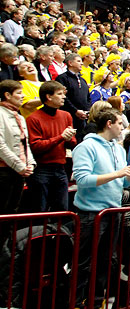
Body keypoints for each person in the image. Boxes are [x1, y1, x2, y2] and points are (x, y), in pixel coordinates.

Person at [71, 109, 130, 309]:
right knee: (84, 261)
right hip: (90, 214)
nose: (123, 129)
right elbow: (82, 179)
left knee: (106, 261)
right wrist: (118, 173)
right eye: (120, 125)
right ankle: (77, 306)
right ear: (108, 124)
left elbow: (124, 182)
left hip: (112, 211)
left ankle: (96, 303)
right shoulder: (86, 147)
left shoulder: (116, 148)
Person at [25, 81, 77, 212]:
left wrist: (69, 138)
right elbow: (36, 146)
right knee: (39, 209)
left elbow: (72, 143)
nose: (64, 97)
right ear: (48, 97)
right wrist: (61, 137)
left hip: (60, 168)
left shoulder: (66, 115)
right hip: (41, 169)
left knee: (62, 209)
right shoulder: (33, 118)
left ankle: (58, 233)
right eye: (59, 94)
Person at [0, 79, 35, 215]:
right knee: (3, 209)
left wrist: (30, 163)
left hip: (19, 172)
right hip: (4, 172)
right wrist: (19, 166)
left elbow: (25, 144)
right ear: (7, 95)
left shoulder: (20, 117)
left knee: (13, 211)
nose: (23, 96)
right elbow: (1, 145)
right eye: (19, 93)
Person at [56, 53, 90, 140]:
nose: (81, 63)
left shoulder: (83, 80)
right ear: (70, 63)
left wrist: (87, 111)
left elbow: (88, 98)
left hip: (83, 118)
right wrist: (75, 111)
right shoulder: (62, 78)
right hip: (69, 118)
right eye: (78, 61)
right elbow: (64, 97)